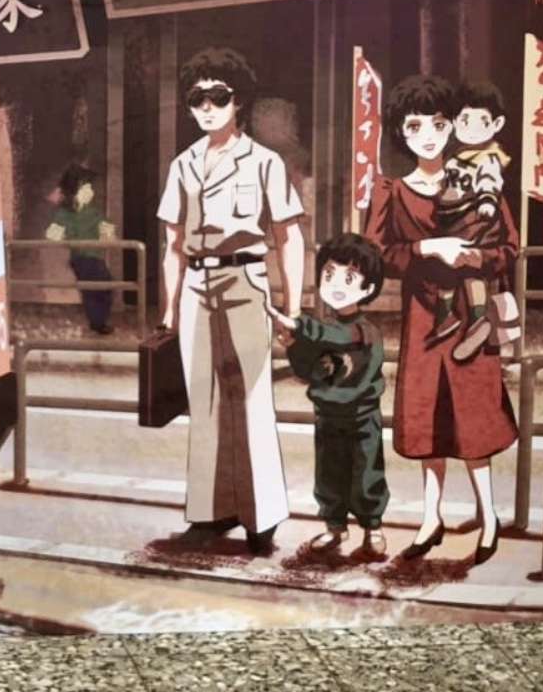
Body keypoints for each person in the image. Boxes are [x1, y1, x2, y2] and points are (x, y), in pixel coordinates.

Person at [367, 75, 519, 567]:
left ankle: (488, 515)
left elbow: (509, 247)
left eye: (439, 124)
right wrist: (427, 248)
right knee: (425, 416)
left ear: (454, 125)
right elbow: (377, 253)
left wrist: (473, 258)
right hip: (422, 316)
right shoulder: (391, 190)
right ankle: (430, 516)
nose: (429, 136)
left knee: (475, 416)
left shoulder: (480, 178)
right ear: (400, 133)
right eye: (415, 127)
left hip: (471, 316)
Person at [157, 47, 303, 556]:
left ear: (238, 101)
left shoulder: (265, 162)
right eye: (196, 98)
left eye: (218, 96)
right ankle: (209, 513)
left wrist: (293, 307)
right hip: (197, 287)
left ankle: (262, 518)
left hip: (246, 281)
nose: (207, 107)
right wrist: (170, 308)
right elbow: (173, 243)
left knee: (252, 397)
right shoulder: (183, 165)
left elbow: (288, 236)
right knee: (205, 401)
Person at [268, 232, 389, 558]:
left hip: (362, 417)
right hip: (327, 415)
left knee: (366, 474)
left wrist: (300, 326)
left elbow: (338, 335)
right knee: (328, 476)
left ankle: (373, 528)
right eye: (329, 274)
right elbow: (307, 370)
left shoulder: (366, 331)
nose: (336, 284)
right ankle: (335, 527)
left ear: (368, 289)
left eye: (349, 278)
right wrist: (294, 345)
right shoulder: (324, 330)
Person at [426, 79, 516, 359]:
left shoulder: (488, 158)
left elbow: (489, 183)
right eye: (465, 120)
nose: (471, 128)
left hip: (474, 222)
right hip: (451, 220)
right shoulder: (453, 157)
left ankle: (478, 319)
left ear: (496, 124)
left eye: (481, 121)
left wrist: (487, 203)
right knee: (446, 268)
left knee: (470, 269)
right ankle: (447, 316)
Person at [46, 163, 118, 334]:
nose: (91, 192)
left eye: (90, 188)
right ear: (74, 192)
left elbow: (107, 232)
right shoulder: (65, 214)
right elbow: (52, 234)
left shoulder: (94, 212)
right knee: (95, 289)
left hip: (95, 257)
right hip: (82, 257)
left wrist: (108, 234)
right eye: (86, 188)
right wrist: (64, 237)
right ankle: (98, 323)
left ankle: (98, 322)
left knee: (102, 287)